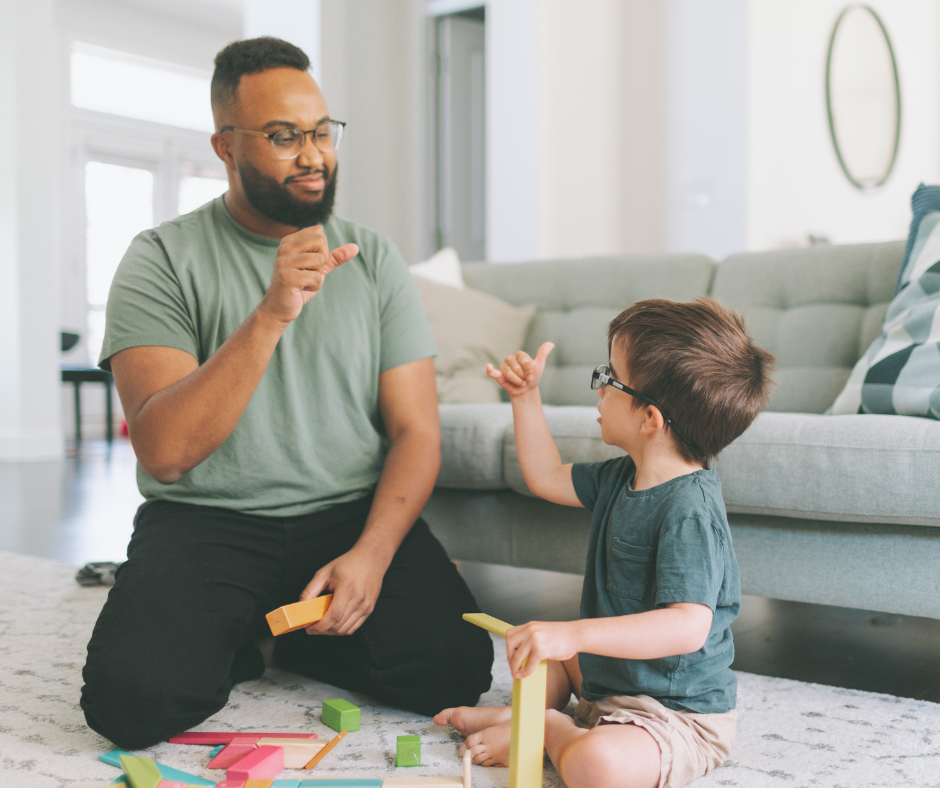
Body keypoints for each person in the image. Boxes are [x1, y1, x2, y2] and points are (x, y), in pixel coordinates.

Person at [79, 37, 493, 750]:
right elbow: (166, 452)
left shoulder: (375, 258)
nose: (313, 154)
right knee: (130, 703)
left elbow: (416, 430)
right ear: (225, 146)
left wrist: (373, 554)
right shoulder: (161, 259)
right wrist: (270, 314)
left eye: (321, 131)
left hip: (345, 516)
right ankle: (252, 629)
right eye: (282, 136)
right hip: (207, 521)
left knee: (454, 668)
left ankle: (274, 632)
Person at [434, 298, 775, 788]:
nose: (598, 388)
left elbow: (687, 627)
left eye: (609, 378)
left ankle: (546, 727)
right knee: (541, 653)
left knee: (599, 769)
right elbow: (546, 477)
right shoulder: (624, 476)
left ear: (649, 420)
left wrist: (574, 634)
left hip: (672, 713)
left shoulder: (689, 511)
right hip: (605, 678)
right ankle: (525, 717)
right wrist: (525, 397)